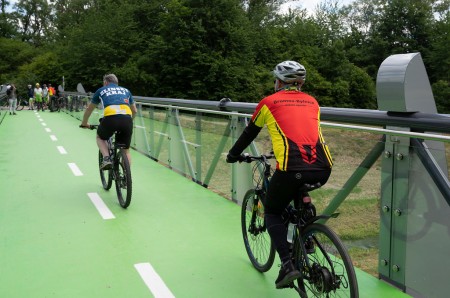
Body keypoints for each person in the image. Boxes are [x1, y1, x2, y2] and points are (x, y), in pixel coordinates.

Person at [226, 60, 333, 289]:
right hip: (324, 168)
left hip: (292, 168)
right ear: (300, 83)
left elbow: (249, 133)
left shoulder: (269, 102)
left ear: (279, 82)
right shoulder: (313, 102)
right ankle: (307, 235)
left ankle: (287, 265)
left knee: (273, 211)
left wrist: (233, 155)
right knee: (296, 196)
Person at [80, 74, 137, 170]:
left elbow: (89, 109)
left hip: (110, 118)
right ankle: (126, 177)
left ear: (105, 82)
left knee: (100, 137)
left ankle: (106, 159)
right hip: (127, 119)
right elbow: (134, 111)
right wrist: (129, 121)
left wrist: (84, 123)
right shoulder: (126, 90)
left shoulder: (101, 90)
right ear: (116, 82)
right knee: (126, 151)